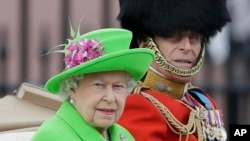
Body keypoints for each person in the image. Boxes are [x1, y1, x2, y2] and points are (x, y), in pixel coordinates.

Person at [117, 0, 231, 141]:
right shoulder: (138, 105)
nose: (187, 47)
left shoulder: (203, 101)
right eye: (173, 36)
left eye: (193, 37)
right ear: (144, 41)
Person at [31, 27, 155, 141]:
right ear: (72, 88)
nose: (110, 98)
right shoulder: (53, 136)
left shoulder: (124, 136)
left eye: (118, 86)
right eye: (98, 85)